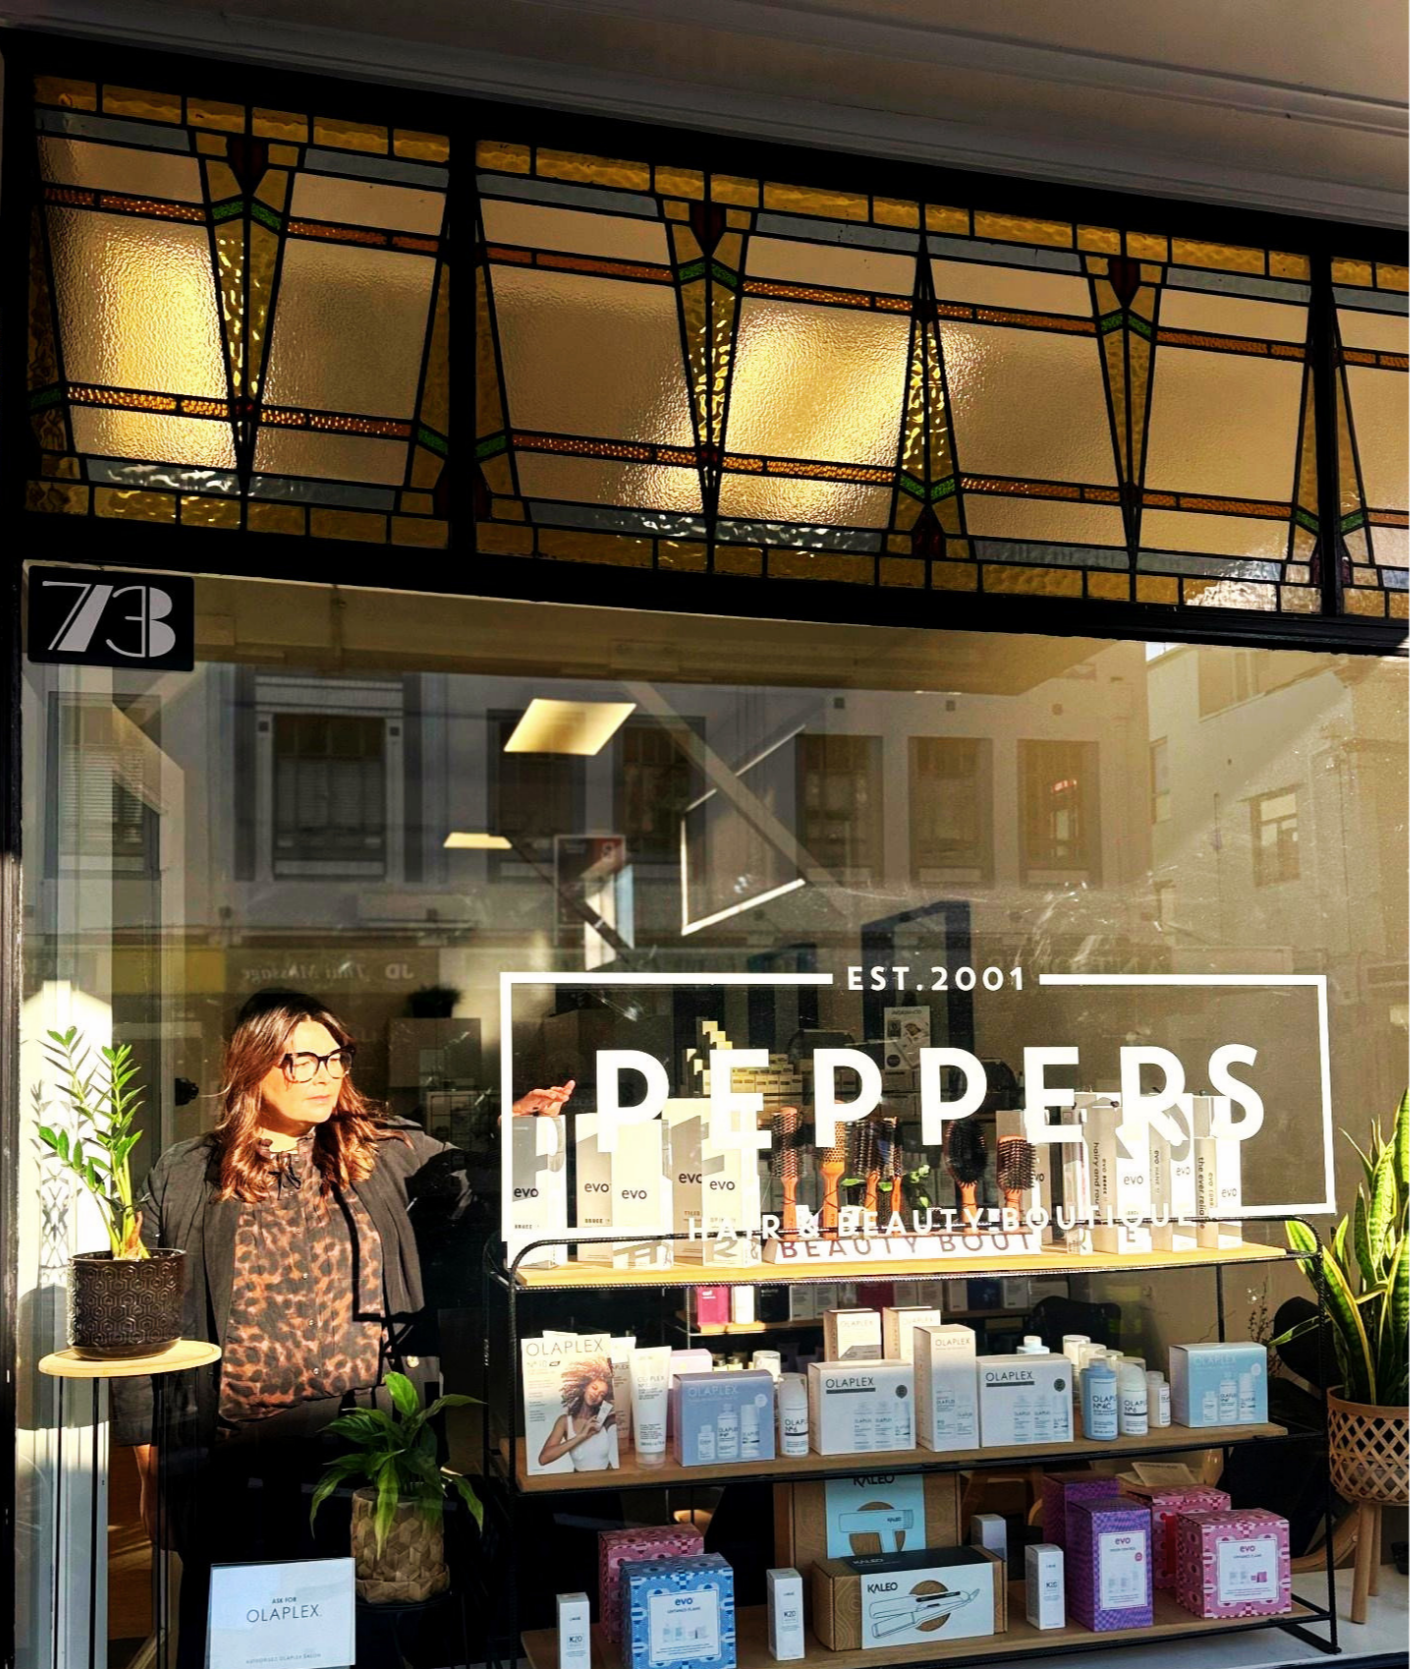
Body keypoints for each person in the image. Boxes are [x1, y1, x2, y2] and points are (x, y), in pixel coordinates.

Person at [112, 990, 477, 1665]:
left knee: (370, 1633)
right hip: (232, 1458)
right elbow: (140, 1317)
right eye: (301, 1058)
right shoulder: (189, 1171)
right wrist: (150, 1463)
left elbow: (464, 1182)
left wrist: (522, 1131)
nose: (323, 1073)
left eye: (333, 1057)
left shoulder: (380, 1150)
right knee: (244, 1639)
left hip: (363, 1452)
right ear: (252, 1064)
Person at [535, 1355, 618, 1471]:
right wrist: (581, 1436)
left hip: (608, 1476)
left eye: (601, 1394)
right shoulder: (565, 1421)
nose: (596, 1395)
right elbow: (543, 1459)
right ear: (585, 1387)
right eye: (594, 1388)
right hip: (579, 1481)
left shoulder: (604, 1419)